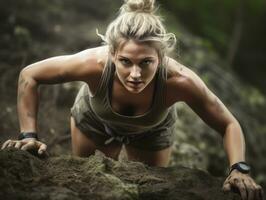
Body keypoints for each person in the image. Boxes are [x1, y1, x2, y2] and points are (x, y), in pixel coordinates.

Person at [1, 0, 264, 199]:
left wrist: (238, 169)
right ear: (112, 54)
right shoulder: (93, 64)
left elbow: (228, 123)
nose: (135, 74)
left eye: (146, 62)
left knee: (149, 191)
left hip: (153, 131)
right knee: (85, 182)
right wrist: (28, 136)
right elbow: (29, 75)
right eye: (125, 62)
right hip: (93, 120)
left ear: (160, 58)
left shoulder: (180, 81)